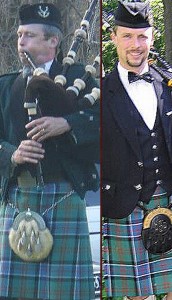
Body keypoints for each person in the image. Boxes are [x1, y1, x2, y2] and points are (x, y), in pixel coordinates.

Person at [102, 1, 172, 299]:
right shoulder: (101, 93)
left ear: (153, 37)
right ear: (114, 38)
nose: (136, 45)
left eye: (142, 36)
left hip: (171, 200)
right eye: (128, 36)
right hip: (124, 206)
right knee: (137, 296)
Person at [0, 3, 99, 300]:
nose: (21, 42)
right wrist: (12, 155)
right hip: (18, 200)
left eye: (29, 35)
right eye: (19, 35)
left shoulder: (83, 80)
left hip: (64, 197)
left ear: (52, 41)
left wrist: (67, 123)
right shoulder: (5, 88)